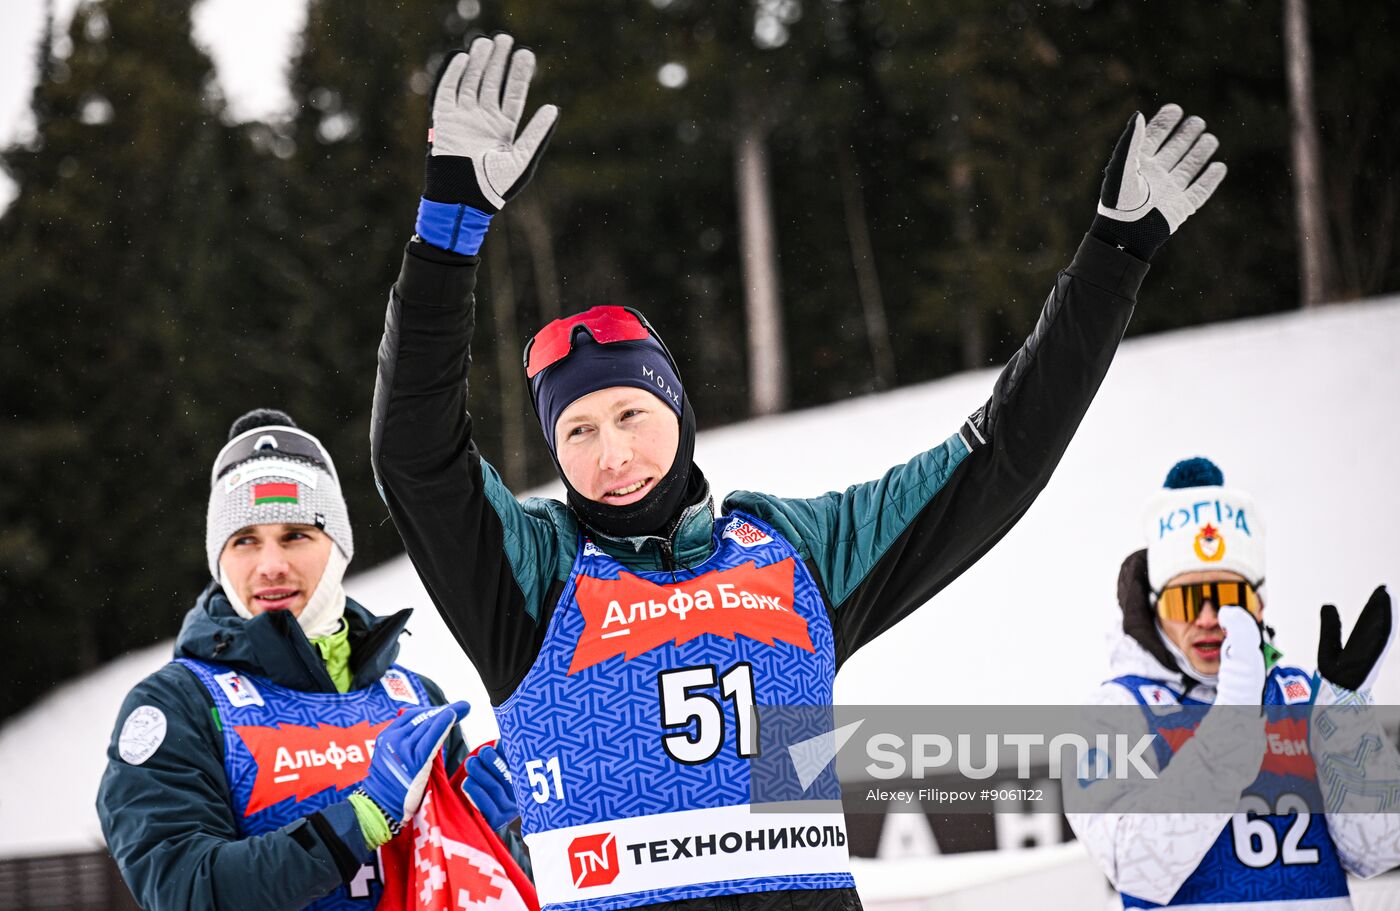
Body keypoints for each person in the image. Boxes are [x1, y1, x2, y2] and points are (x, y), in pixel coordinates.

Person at [371, 32, 1227, 911]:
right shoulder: (530, 574)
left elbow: (1001, 456)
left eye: (631, 413)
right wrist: (448, 226)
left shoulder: (793, 551)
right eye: (578, 431)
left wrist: (1115, 255)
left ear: (680, 413)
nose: (612, 453)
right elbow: (415, 453)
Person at [96, 408, 520, 911]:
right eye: (245, 541)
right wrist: (361, 819)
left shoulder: (414, 698)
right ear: (219, 558)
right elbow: (185, 891)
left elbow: (479, 888)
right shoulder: (177, 703)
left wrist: (477, 831)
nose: (271, 566)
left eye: (296, 535)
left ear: (337, 546)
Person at [1066, 457, 1400, 908]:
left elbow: (1378, 851)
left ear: (1259, 605)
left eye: (1227, 597)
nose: (1208, 619)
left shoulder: (1302, 695)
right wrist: (1234, 718)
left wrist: (1346, 717)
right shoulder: (1112, 710)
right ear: (1155, 608)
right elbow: (1137, 866)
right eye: (1186, 600)